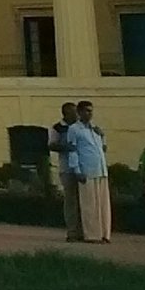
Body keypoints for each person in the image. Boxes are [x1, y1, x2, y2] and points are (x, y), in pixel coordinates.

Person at [67, 100, 111, 243]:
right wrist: (77, 170)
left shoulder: (95, 129)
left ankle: (105, 233)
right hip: (87, 170)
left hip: (101, 169)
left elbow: (103, 149)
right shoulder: (74, 129)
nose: (89, 113)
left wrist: (103, 136)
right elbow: (72, 150)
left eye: (91, 110)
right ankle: (92, 234)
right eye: (86, 110)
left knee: (103, 205)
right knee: (89, 205)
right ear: (79, 112)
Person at [47, 102, 82, 242]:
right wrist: (67, 147)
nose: (76, 115)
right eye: (74, 112)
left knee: (83, 200)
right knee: (71, 201)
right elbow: (51, 145)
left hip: (82, 166)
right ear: (66, 113)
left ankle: (84, 229)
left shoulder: (80, 127)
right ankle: (72, 231)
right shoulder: (57, 128)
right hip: (67, 168)